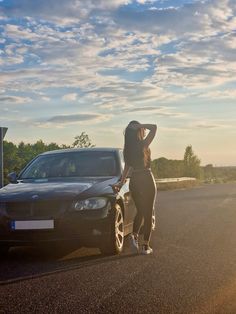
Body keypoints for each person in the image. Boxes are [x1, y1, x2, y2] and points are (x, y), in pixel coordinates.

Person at [112, 121, 157, 255]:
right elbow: (154, 127)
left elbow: (127, 168)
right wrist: (140, 125)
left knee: (141, 211)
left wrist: (121, 183)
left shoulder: (128, 149)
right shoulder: (143, 144)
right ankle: (145, 246)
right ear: (138, 131)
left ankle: (134, 235)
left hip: (135, 181)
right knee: (148, 213)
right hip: (146, 179)